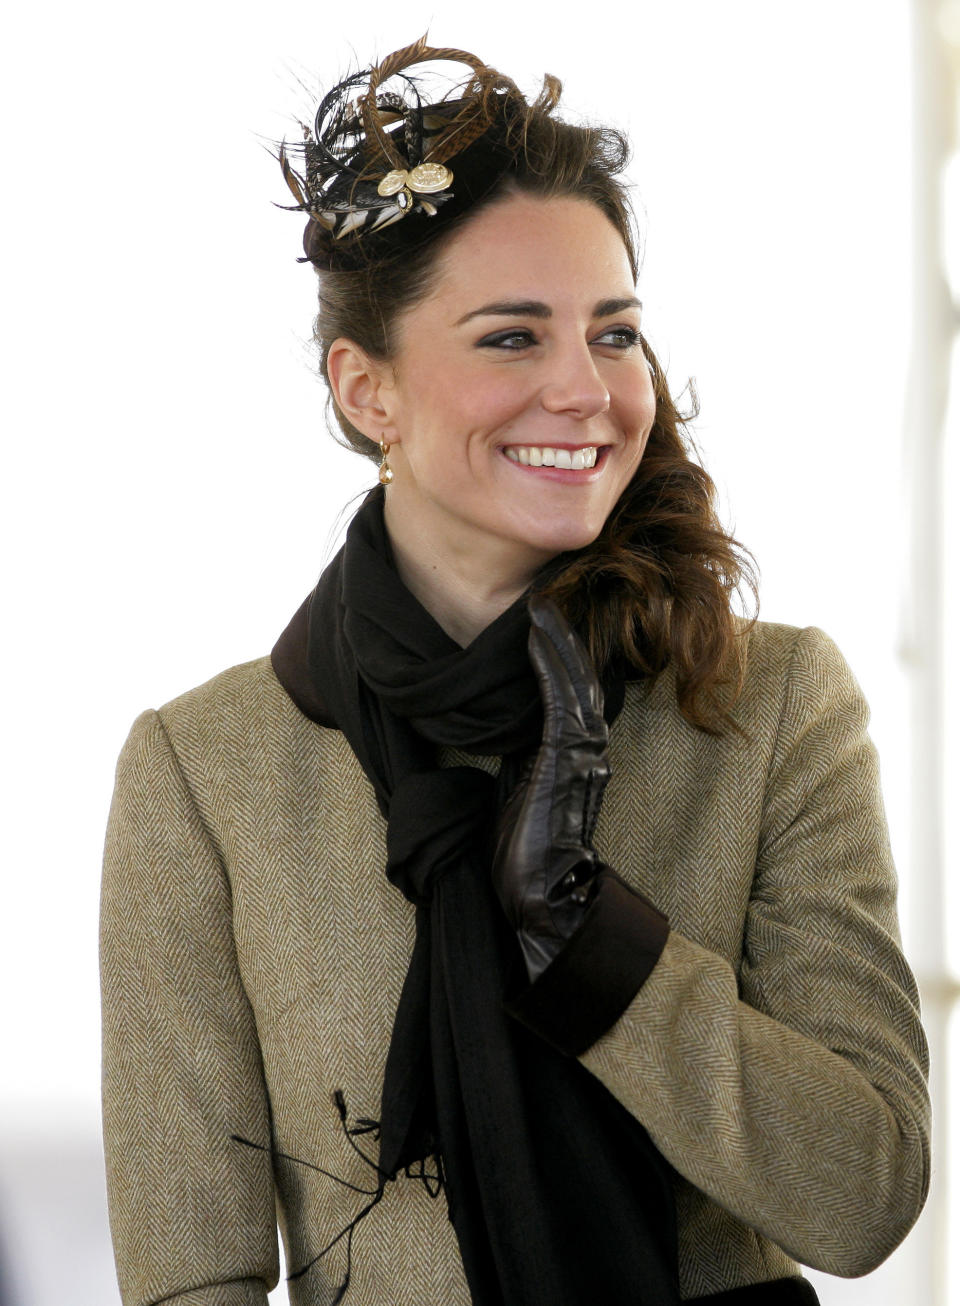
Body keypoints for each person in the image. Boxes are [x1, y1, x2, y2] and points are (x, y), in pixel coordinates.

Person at [99, 35, 931, 1306]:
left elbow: (863, 1195)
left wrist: (595, 942)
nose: (583, 389)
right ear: (367, 389)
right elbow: (187, 1274)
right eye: (509, 337)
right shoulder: (207, 771)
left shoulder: (773, 706)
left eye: (615, 333)